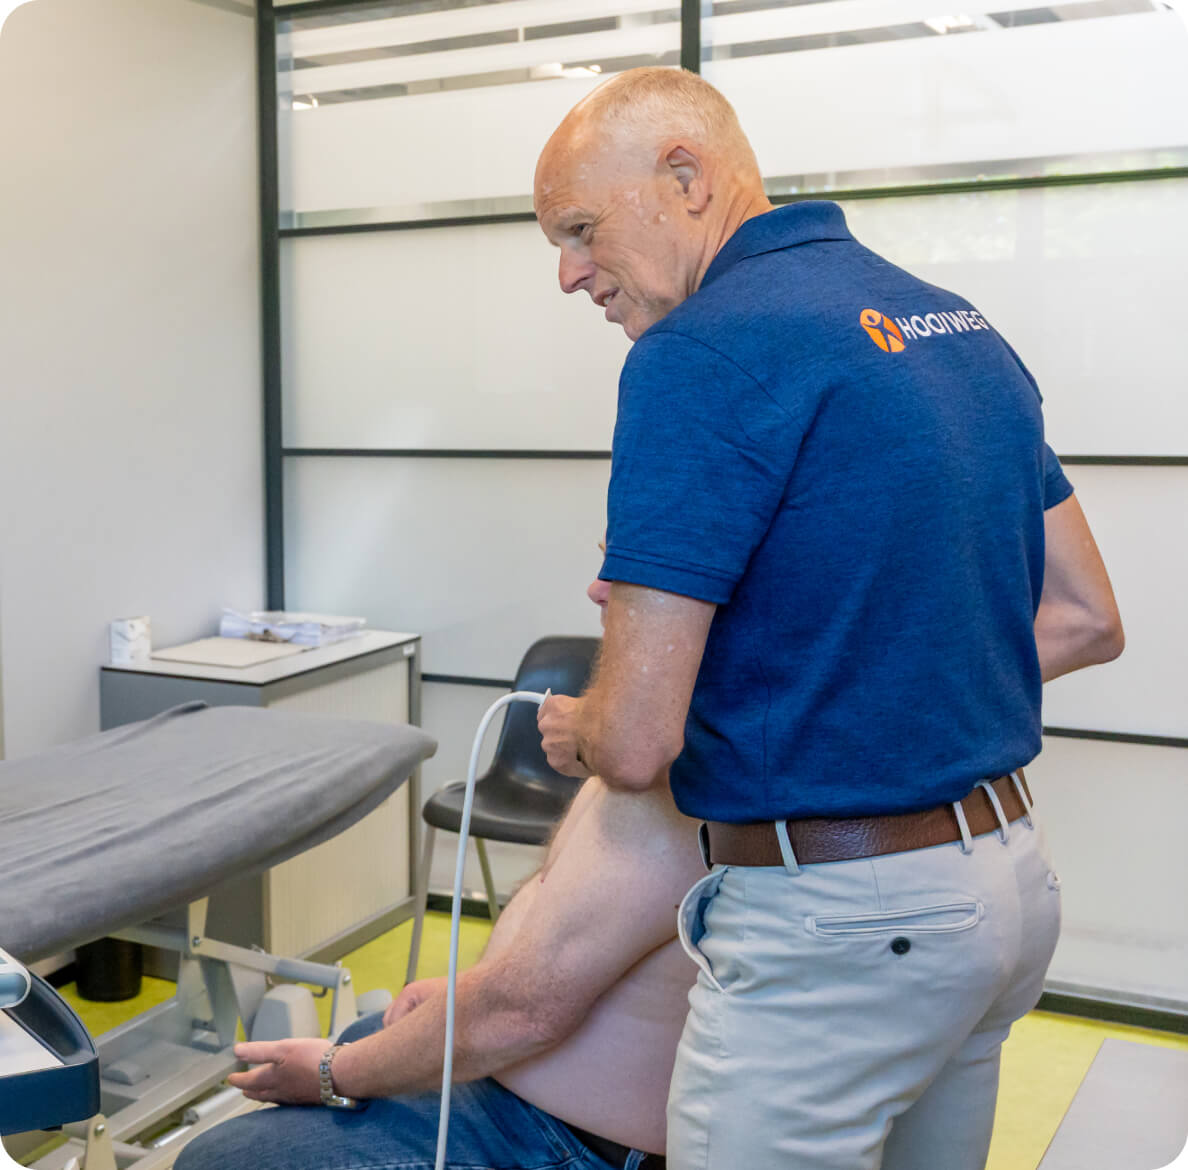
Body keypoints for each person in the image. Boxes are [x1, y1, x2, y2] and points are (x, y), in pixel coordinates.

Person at [533, 67, 1124, 1170]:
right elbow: (1086, 616)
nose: (569, 274)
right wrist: (850, 690)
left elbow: (634, 742)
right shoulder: (952, 324)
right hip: (1005, 893)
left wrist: (589, 720)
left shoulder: (696, 357)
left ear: (686, 176)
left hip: (843, 927)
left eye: (579, 230)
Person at [172, 573, 706, 1170]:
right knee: (362, 1038)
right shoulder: (642, 756)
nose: (597, 589)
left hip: (561, 1142)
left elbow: (524, 1011)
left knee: (214, 1160)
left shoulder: (677, 786)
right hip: (520, 1089)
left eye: (625, 566)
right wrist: (461, 994)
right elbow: (563, 937)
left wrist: (328, 1074)